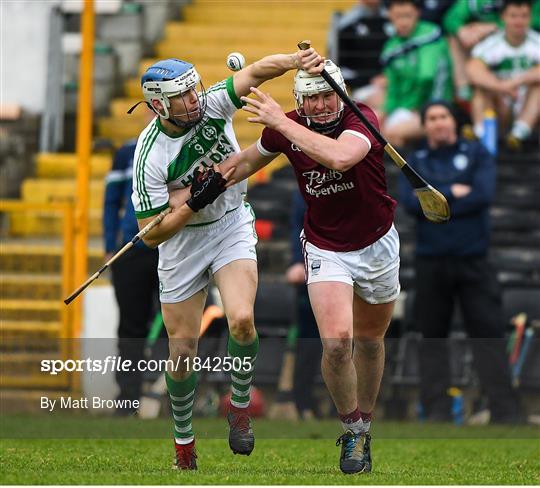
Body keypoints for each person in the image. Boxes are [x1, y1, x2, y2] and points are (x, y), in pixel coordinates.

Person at [128, 48, 323, 470]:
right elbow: (150, 232)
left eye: (194, 88)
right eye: (182, 95)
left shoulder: (213, 103)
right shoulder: (150, 154)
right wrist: (193, 202)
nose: (194, 98)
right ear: (160, 104)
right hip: (181, 244)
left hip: (231, 226)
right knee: (181, 353)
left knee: (241, 320)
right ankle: (184, 441)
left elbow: (254, 71)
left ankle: (238, 405)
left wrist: (294, 60)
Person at [219, 58, 400, 474]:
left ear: (339, 96)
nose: (319, 105)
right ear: (300, 100)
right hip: (325, 246)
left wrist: (281, 124)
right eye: (311, 98)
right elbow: (246, 162)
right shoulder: (287, 125)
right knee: (338, 342)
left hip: (377, 243)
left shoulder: (362, 120)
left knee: (370, 341)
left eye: (325, 96)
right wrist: (206, 182)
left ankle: (366, 427)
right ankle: (352, 431)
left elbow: (338, 159)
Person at [399, 100, 523, 423]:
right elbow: (410, 205)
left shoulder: (477, 153)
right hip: (431, 262)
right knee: (432, 338)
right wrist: (455, 192)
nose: (439, 123)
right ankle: (436, 411)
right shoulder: (416, 160)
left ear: (454, 122)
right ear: (425, 126)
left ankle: (504, 411)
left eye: (443, 117)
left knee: (488, 334)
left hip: (474, 262)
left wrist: (437, 198)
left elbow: (482, 194)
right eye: (432, 118)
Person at [103, 138, 159, 415]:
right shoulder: (126, 151)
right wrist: (109, 247)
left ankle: (173, 399)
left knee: (179, 325)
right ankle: (128, 399)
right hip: (132, 250)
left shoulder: (187, 142)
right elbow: (111, 201)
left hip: (175, 249)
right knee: (130, 328)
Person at [466, 0, 540, 150]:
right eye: (513, 16)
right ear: (503, 18)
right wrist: (501, 87)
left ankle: (519, 133)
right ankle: (482, 134)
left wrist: (515, 82)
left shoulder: (537, 42)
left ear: (530, 18)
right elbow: (473, 70)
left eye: (524, 16)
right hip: (501, 107)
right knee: (481, 90)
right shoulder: (490, 44)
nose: (519, 21)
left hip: (530, 106)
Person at [381, 0, 453, 147]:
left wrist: (417, 109)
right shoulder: (391, 46)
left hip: (437, 105)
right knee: (377, 127)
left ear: (418, 14)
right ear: (389, 16)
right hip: (405, 107)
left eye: (408, 16)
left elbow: (427, 76)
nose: (403, 22)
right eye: (398, 17)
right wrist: (386, 112)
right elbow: (392, 87)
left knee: (392, 133)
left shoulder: (430, 35)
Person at [287, 191, 322, 419]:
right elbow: (297, 226)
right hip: (313, 269)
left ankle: (350, 409)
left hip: (351, 270)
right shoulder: (308, 182)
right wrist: (298, 262)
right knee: (309, 342)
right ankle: (303, 403)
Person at [443, 0, 503, 104]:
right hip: (481, 40)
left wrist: (494, 26)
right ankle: (463, 90)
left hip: (520, 38)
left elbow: (534, 19)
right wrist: (461, 31)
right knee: (455, 39)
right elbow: (450, 18)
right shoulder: (474, 2)